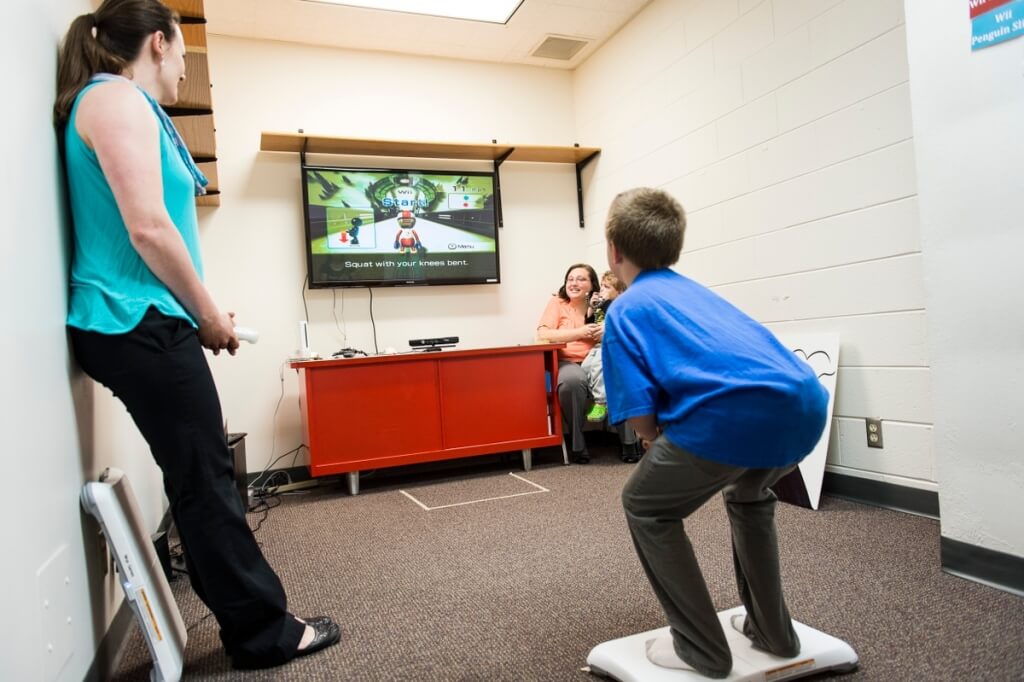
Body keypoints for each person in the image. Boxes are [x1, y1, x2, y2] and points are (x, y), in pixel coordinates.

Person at [54, 0, 340, 670]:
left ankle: (250, 621)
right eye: (183, 51)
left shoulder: (112, 103)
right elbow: (149, 228)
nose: (185, 67)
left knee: (198, 479)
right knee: (207, 483)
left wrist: (203, 310)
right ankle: (264, 633)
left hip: (142, 318)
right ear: (159, 43)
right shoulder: (116, 99)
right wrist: (206, 314)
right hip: (136, 322)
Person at [600, 188, 829, 678]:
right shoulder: (696, 291)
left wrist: (653, 441)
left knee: (646, 504)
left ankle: (700, 648)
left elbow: (641, 418)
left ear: (613, 251)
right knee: (748, 492)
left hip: (732, 418)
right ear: (674, 247)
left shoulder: (626, 307)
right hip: (805, 406)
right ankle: (774, 632)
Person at [536, 264, 639, 464]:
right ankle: (577, 444)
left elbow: (628, 328)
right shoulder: (558, 303)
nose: (574, 283)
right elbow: (543, 334)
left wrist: (608, 331)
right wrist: (580, 332)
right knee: (572, 382)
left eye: (581, 279)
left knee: (621, 378)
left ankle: (629, 442)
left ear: (592, 284)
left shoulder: (604, 302)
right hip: (569, 361)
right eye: (570, 279)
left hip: (604, 356)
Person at [581, 270, 626, 424]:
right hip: (597, 346)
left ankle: (601, 402)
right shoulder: (603, 304)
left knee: (599, 365)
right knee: (586, 368)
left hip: (611, 347)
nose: (601, 291)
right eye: (601, 286)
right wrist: (591, 308)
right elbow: (589, 323)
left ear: (620, 292)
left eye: (606, 287)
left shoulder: (618, 305)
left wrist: (603, 301)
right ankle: (600, 397)